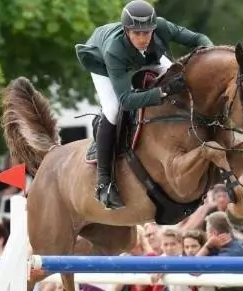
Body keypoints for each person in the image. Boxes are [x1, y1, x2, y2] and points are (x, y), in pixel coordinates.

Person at [75, 0, 213, 210]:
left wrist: (210, 55)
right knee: (113, 110)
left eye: (146, 33)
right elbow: (127, 100)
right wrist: (164, 91)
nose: (142, 38)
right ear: (126, 31)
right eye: (136, 33)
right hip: (102, 61)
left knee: (179, 76)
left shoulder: (163, 26)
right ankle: (104, 182)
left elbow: (199, 39)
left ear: (154, 29)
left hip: (147, 58)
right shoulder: (114, 50)